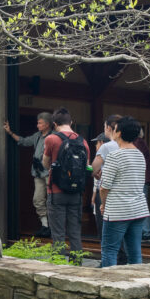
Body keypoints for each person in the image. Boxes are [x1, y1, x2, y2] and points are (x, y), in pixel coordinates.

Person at [98, 116, 150, 267]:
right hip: (138, 209)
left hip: (117, 210)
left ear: (118, 133)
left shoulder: (114, 156)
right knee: (135, 252)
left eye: (114, 129)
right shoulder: (140, 155)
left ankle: (109, 285)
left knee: (109, 250)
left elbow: (104, 186)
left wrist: (103, 204)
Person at [42, 108, 90, 256]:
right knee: (75, 231)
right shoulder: (83, 141)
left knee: (58, 233)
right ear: (71, 122)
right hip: (76, 193)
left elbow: (45, 163)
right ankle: (77, 264)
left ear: (54, 124)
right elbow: (86, 165)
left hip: (56, 192)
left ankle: (59, 266)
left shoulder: (51, 139)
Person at [4, 112, 54, 237]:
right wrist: (10, 132)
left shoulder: (54, 136)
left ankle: (54, 227)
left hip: (50, 173)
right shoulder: (37, 136)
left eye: (40, 123)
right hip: (38, 173)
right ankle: (45, 226)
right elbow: (24, 141)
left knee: (53, 200)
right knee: (37, 199)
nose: (37, 125)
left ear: (47, 124)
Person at [91, 116, 122, 250]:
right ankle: (122, 258)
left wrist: (95, 173)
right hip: (122, 192)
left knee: (104, 228)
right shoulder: (129, 146)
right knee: (120, 229)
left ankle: (107, 260)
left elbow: (94, 168)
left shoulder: (106, 147)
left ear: (109, 128)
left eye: (105, 127)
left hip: (106, 190)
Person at [134, 130, 150, 242]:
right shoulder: (139, 142)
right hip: (143, 178)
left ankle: (147, 232)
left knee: (142, 204)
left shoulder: (138, 143)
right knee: (142, 203)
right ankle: (146, 231)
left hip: (141, 178)